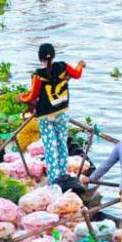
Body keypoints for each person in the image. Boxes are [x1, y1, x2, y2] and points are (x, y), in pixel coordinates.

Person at [19, 43, 85, 185]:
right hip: (62, 112)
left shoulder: (38, 75)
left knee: (50, 147)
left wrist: (21, 98)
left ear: (39, 57)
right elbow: (77, 74)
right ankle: (63, 174)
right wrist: (80, 65)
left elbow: (32, 95)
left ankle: (54, 179)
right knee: (62, 142)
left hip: (45, 116)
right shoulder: (63, 66)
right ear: (54, 55)